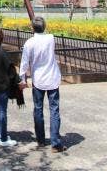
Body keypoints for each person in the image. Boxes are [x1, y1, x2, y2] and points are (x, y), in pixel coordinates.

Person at [19, 16, 67, 153]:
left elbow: (24, 63)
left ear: (32, 28)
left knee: (38, 110)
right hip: (52, 78)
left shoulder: (29, 43)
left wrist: (22, 79)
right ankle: (55, 143)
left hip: (38, 80)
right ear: (44, 26)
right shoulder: (51, 38)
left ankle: (40, 140)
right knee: (54, 110)